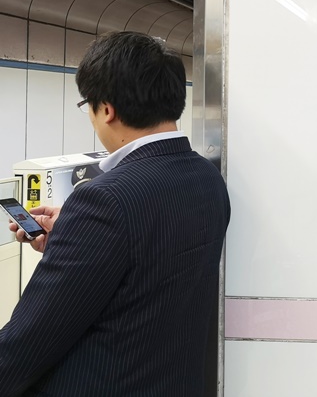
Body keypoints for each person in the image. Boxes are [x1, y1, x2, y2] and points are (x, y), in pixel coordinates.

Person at [0, 32, 231, 396]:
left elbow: (29, 342)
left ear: (106, 109)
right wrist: (72, 237)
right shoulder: (207, 178)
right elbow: (148, 265)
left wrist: (83, 230)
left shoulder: (104, 201)